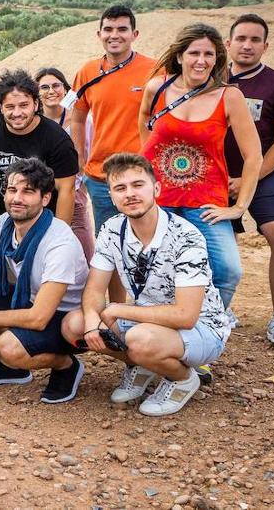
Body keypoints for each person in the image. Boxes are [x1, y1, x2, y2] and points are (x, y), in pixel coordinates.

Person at [62, 153, 232, 416]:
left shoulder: (185, 236)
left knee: (139, 339)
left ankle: (182, 379)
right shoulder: (112, 229)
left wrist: (119, 310)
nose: (130, 194)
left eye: (138, 185)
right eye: (120, 188)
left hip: (203, 328)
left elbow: (185, 316)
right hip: (149, 322)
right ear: (112, 195)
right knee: (74, 325)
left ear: (156, 188)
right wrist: (92, 319)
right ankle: (142, 365)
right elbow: (95, 290)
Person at [0, 158, 89, 404]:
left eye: (28, 191)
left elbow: (39, 317)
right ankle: (12, 367)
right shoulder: (4, 224)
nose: (17, 198)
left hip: (61, 316)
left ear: (45, 198)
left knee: (11, 347)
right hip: (24, 298)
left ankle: (66, 365)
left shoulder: (58, 241)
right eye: (12, 190)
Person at [139, 23, 261, 310]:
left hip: (206, 203)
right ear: (180, 56)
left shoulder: (229, 96)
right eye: (194, 53)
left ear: (218, 58)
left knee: (227, 271)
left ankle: (209, 327)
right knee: (155, 270)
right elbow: (145, 130)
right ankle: (157, 331)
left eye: (209, 54)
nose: (202, 61)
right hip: (159, 201)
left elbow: (254, 155)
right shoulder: (157, 88)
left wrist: (239, 207)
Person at [224, 14, 274, 348]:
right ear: (228, 44)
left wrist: (247, 179)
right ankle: (218, 310)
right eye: (241, 38)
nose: (247, 45)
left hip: (264, 173)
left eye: (255, 39)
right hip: (212, 174)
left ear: (265, 46)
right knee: (210, 241)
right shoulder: (209, 80)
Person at [0, 68, 79, 225]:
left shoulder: (57, 140)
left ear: (36, 103)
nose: (17, 113)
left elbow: (67, 191)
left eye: (24, 105)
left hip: (41, 222)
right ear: (0, 107)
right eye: (10, 107)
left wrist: (59, 236)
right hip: (0, 221)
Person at [71, 5, 158, 228]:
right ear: (99, 34)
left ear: (134, 34)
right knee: (109, 239)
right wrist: (79, 156)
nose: (114, 35)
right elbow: (78, 115)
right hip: (101, 175)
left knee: (145, 237)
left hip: (142, 172)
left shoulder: (154, 70)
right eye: (108, 29)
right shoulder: (87, 71)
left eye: (122, 29)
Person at [35, 67, 94, 261]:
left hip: (73, 191)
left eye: (56, 85)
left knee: (82, 243)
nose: (51, 91)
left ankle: (89, 288)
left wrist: (82, 187)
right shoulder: (33, 122)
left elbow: (90, 151)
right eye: (44, 87)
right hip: (41, 194)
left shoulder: (81, 120)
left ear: (66, 89)